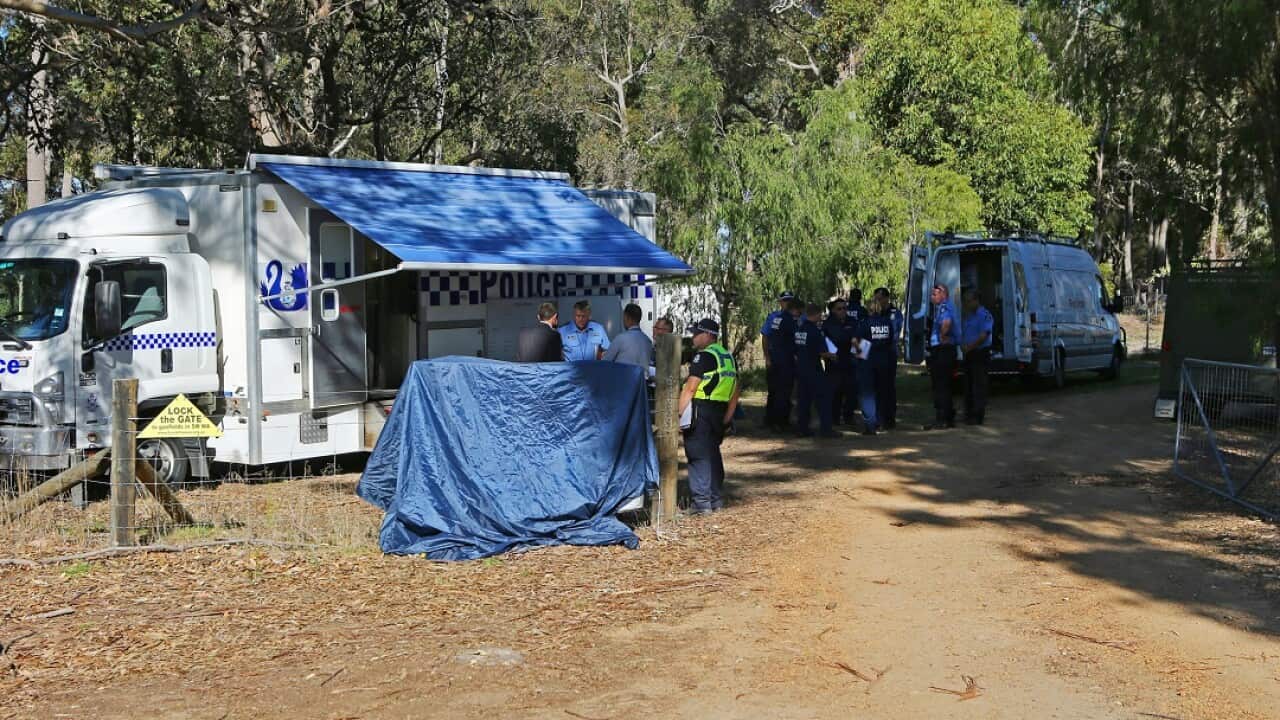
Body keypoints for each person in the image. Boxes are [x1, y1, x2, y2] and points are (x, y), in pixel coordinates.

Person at [679, 319, 741, 513]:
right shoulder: (727, 357)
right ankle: (715, 500)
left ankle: (701, 503)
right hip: (719, 411)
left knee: (698, 456)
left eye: (697, 334)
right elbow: (735, 391)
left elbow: (690, 388)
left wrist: (679, 415)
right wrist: (728, 417)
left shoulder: (704, 356)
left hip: (701, 410)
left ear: (708, 335)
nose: (693, 337)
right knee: (712, 454)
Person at [794, 303, 837, 437]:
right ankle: (826, 430)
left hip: (801, 369)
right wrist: (833, 356)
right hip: (814, 370)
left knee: (804, 400)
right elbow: (822, 352)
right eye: (820, 315)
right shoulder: (815, 331)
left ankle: (802, 429)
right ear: (817, 314)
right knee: (823, 399)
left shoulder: (800, 329)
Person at [858, 295, 895, 435]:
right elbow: (890, 340)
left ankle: (870, 424)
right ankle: (881, 421)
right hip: (884, 360)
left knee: (868, 393)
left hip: (868, 360)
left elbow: (856, 340)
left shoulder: (865, 323)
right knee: (882, 391)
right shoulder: (887, 322)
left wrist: (858, 353)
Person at [925, 283, 959, 429]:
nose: (932, 296)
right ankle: (946, 417)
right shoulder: (942, 307)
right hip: (943, 350)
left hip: (943, 350)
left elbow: (946, 323)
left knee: (941, 385)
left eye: (934, 294)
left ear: (943, 294)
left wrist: (942, 334)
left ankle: (943, 419)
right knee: (943, 385)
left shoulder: (945, 307)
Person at [761, 291, 797, 431]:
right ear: (780, 302)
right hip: (776, 358)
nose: (788, 303)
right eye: (785, 300)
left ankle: (783, 420)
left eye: (790, 300)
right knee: (774, 390)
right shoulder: (773, 317)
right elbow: (765, 336)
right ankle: (771, 420)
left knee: (786, 391)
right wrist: (767, 357)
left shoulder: (797, 317)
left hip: (789, 359)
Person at [960, 288, 994, 425]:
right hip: (969, 354)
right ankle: (968, 414)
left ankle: (978, 415)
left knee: (978, 386)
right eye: (965, 301)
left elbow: (983, 335)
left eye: (969, 301)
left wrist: (969, 347)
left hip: (980, 354)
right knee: (968, 385)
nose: (966, 304)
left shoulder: (984, 315)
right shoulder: (969, 316)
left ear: (976, 300)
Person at [822, 299, 857, 426]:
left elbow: (858, 338)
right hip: (834, 362)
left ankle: (849, 417)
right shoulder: (827, 324)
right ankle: (834, 418)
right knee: (835, 392)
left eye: (844, 308)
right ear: (833, 310)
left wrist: (858, 354)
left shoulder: (852, 322)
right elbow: (824, 341)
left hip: (850, 362)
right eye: (839, 308)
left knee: (852, 391)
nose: (842, 311)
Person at [873, 287, 902, 429]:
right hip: (876, 355)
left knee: (888, 387)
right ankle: (879, 417)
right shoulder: (875, 315)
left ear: (886, 298)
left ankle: (889, 418)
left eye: (879, 299)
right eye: (875, 299)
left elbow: (894, 333)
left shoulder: (894, 313)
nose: (877, 302)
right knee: (877, 387)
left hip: (889, 354)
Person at [603, 303, 653, 367]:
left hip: (622, 373)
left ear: (627, 318)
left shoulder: (621, 339)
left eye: (623, 317)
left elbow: (605, 362)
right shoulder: (648, 341)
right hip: (642, 374)